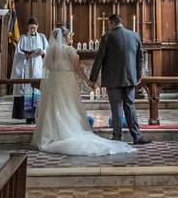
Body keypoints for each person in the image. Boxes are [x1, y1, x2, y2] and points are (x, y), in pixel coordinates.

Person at [31, 27, 134, 156]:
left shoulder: (50, 51)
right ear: (63, 37)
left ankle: (52, 133)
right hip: (67, 81)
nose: (70, 37)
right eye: (69, 35)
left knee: (53, 106)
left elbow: (48, 67)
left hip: (54, 82)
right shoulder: (70, 50)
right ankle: (67, 131)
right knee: (68, 105)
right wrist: (89, 82)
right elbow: (78, 70)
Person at [89, 14, 152, 145]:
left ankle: (117, 137)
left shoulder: (107, 37)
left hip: (113, 79)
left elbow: (99, 59)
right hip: (130, 77)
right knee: (130, 105)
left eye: (108, 24)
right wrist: (138, 75)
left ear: (111, 23)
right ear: (121, 22)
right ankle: (137, 136)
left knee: (116, 107)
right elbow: (140, 57)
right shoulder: (135, 35)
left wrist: (92, 79)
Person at [10, 17, 47, 95]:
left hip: (38, 64)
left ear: (37, 26)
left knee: (37, 85)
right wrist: (25, 55)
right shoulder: (23, 38)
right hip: (26, 64)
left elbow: (47, 49)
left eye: (34, 28)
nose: (32, 30)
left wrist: (42, 52)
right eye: (30, 28)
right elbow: (18, 52)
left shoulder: (41, 37)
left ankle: (36, 104)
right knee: (27, 86)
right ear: (28, 27)